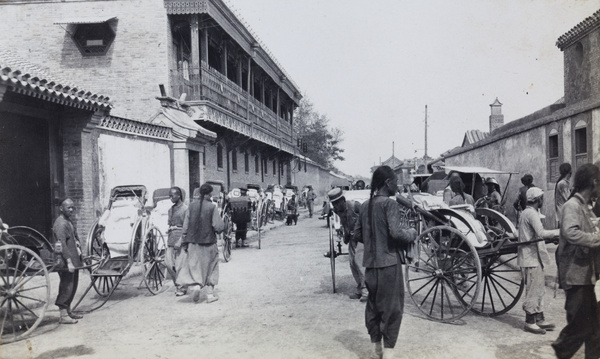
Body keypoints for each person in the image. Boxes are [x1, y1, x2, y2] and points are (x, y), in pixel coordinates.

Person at [353, 166, 418, 359]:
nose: (397, 186)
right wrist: (412, 233)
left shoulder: (365, 205)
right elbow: (396, 233)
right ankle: (388, 356)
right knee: (392, 309)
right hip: (389, 266)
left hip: (371, 267)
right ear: (387, 183)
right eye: (395, 182)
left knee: (373, 309)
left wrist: (374, 241)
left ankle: (377, 352)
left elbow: (356, 234)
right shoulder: (389, 205)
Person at [552, 163, 600, 359]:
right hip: (575, 276)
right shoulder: (572, 205)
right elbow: (570, 232)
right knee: (580, 326)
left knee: (595, 329)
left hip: (586, 277)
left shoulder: (585, 207)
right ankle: (561, 349)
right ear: (594, 182)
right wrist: (596, 239)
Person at [517, 187, 559, 334]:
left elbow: (538, 236)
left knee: (539, 288)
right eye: (541, 198)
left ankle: (540, 319)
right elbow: (541, 233)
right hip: (530, 258)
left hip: (534, 257)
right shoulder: (531, 214)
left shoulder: (528, 212)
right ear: (537, 200)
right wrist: (559, 232)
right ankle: (529, 322)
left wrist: (552, 237)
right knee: (533, 290)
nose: (543, 200)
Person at [178, 183, 225, 303]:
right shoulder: (212, 207)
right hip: (209, 242)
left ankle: (197, 286)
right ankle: (209, 295)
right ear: (210, 194)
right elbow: (218, 226)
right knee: (212, 266)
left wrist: (184, 240)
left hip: (193, 243)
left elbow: (185, 226)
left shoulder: (191, 206)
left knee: (195, 266)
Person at [327, 187, 368, 301]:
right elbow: (344, 223)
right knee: (352, 264)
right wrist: (345, 235)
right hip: (351, 238)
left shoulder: (355, 206)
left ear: (343, 200)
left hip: (362, 238)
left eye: (337, 203)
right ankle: (360, 289)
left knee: (359, 262)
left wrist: (359, 230)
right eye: (333, 204)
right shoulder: (337, 210)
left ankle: (366, 291)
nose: (335, 206)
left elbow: (367, 219)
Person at [52, 198, 84, 324]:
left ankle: (68, 311)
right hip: (66, 260)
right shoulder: (60, 223)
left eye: (72, 207)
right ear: (61, 208)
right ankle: (63, 315)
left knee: (73, 284)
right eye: (68, 207)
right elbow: (62, 245)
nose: (71, 210)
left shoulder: (68, 221)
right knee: (67, 285)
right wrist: (69, 261)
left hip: (74, 258)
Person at [166, 187, 188, 296]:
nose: (170, 198)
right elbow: (169, 224)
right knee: (169, 264)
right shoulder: (170, 210)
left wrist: (181, 240)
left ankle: (182, 287)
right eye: (169, 196)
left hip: (181, 238)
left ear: (179, 196)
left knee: (180, 265)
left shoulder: (185, 209)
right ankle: (178, 284)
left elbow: (186, 226)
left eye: (172, 196)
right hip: (171, 238)